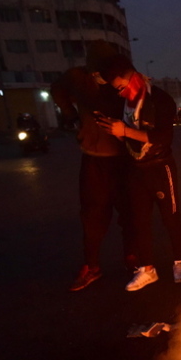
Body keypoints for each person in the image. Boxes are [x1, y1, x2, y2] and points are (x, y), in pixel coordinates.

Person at [94, 54, 181, 291]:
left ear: (133, 77)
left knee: (171, 217)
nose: (120, 93)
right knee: (138, 221)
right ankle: (147, 269)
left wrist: (125, 131)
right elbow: (128, 131)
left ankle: (179, 261)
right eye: (117, 90)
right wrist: (116, 131)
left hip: (160, 165)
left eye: (122, 87)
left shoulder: (160, 99)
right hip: (135, 168)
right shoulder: (124, 102)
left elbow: (163, 137)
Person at [51, 40, 136, 292]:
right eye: (97, 71)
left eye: (105, 71)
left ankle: (132, 258)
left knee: (130, 212)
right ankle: (92, 266)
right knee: (92, 215)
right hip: (94, 158)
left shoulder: (120, 81)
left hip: (123, 159)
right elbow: (58, 88)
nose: (102, 76)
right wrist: (70, 113)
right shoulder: (78, 77)